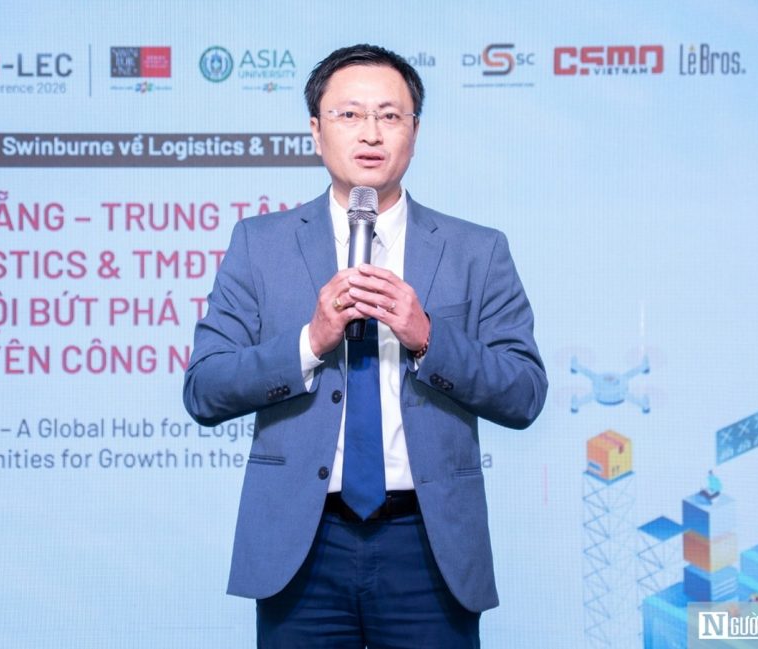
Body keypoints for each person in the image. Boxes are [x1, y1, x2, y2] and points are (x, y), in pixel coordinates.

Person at [183, 44, 547, 648]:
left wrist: (428, 338)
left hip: (427, 546)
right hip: (302, 546)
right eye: (349, 114)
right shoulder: (259, 245)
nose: (371, 133)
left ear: (415, 132)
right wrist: (310, 342)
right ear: (316, 131)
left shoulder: (476, 250)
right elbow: (204, 388)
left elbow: (525, 393)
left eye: (390, 115)